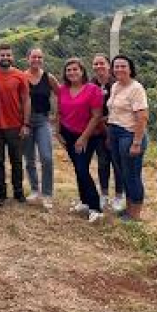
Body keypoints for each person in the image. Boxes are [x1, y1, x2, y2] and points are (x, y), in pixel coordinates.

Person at [57, 58, 104, 224]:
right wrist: (58, 133)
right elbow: (59, 113)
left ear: (82, 71)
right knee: (78, 168)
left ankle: (95, 208)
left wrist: (83, 138)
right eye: (68, 70)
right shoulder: (62, 89)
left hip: (87, 135)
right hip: (67, 133)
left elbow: (96, 115)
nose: (72, 73)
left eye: (75, 69)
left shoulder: (93, 90)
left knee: (82, 169)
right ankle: (84, 202)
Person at [107, 55, 150, 222]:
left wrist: (137, 142)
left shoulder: (136, 88)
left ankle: (135, 214)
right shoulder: (116, 86)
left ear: (130, 69)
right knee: (123, 173)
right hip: (116, 133)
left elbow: (142, 117)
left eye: (123, 66)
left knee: (132, 174)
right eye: (116, 66)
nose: (119, 69)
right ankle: (129, 209)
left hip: (130, 134)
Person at [0, 44, 31, 204]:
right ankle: (1, 193)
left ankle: (18, 192)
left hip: (15, 125)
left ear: (12, 57)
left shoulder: (20, 76)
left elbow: (26, 100)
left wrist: (26, 124)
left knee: (17, 160)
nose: (5, 58)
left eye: (8, 55)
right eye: (2, 55)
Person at [23, 48, 59, 210]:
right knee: (29, 158)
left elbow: (61, 94)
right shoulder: (22, 77)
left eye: (39, 57)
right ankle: (35, 190)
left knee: (47, 157)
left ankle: (47, 193)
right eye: (33, 57)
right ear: (27, 59)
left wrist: (57, 115)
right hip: (26, 122)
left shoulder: (48, 77)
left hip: (43, 120)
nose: (36, 59)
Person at [91, 54, 124, 212]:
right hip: (98, 130)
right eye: (96, 64)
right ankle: (103, 194)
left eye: (101, 63)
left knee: (117, 164)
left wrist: (105, 120)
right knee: (103, 162)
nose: (99, 66)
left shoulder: (116, 84)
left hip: (115, 128)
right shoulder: (91, 84)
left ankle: (119, 196)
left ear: (108, 65)